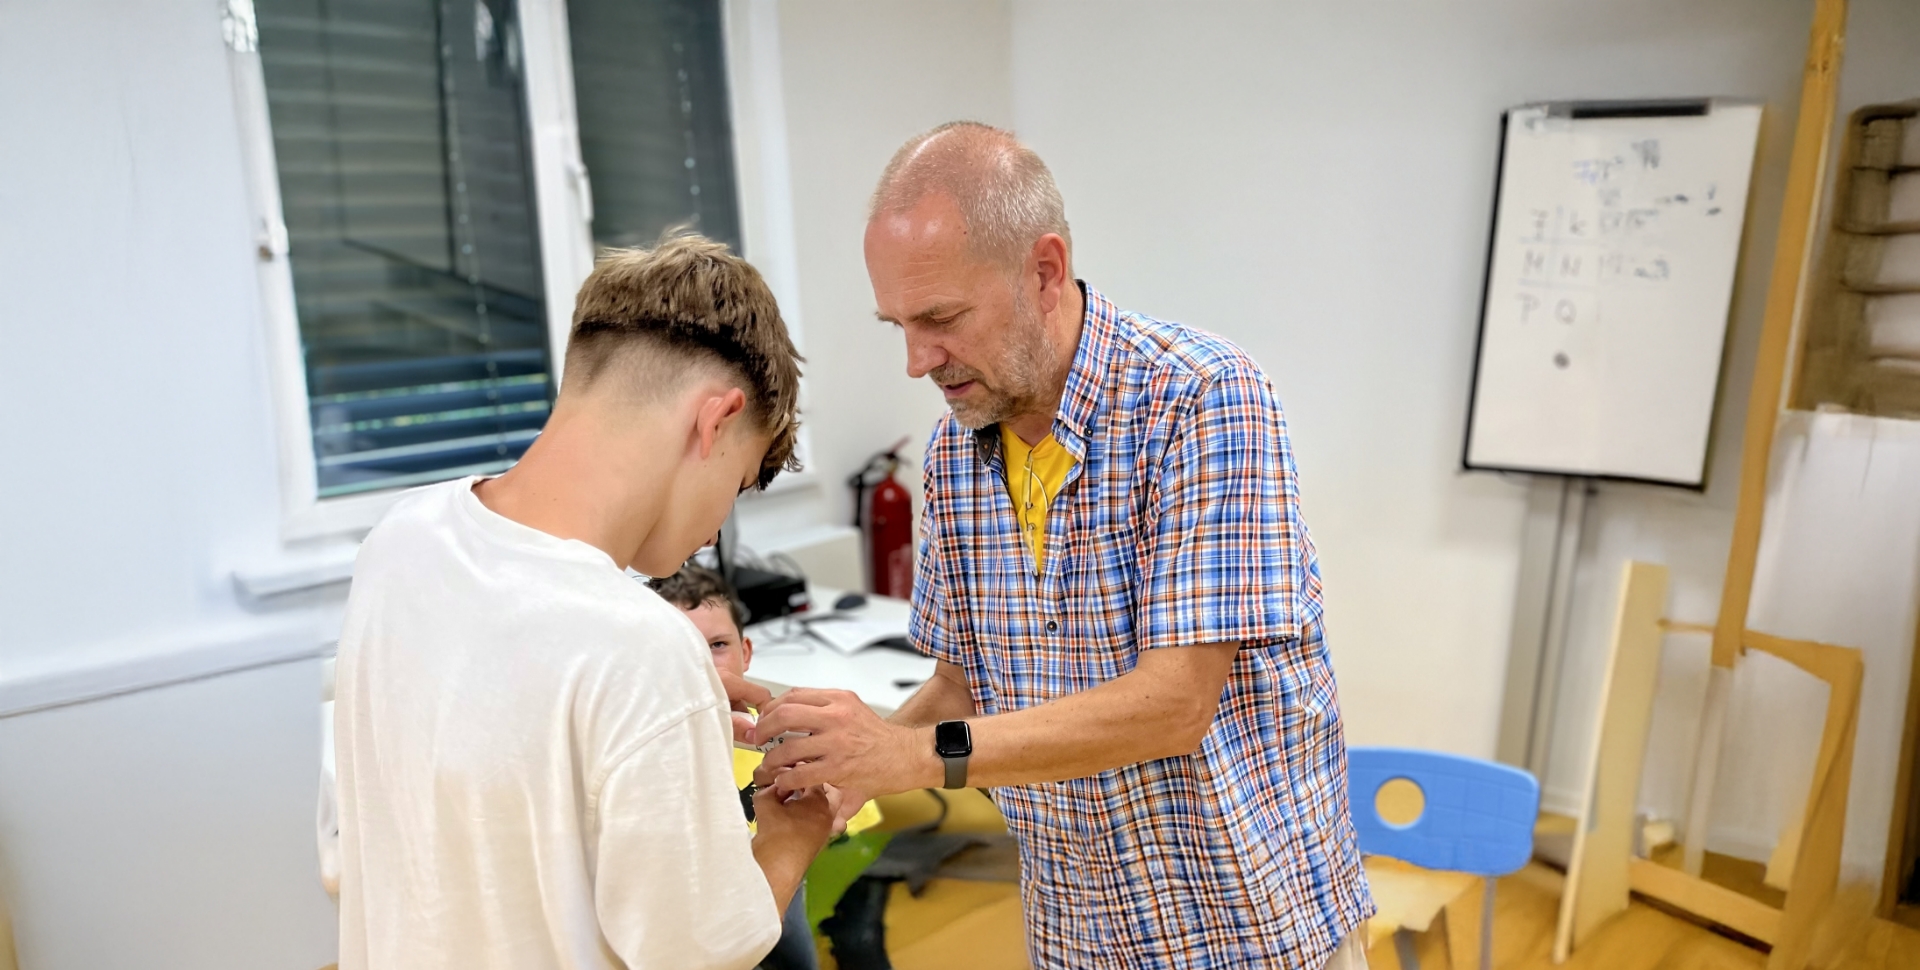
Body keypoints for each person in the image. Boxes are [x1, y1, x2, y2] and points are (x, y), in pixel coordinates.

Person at [750, 123, 1375, 968]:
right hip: (1078, 931)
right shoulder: (955, 454)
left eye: (940, 319)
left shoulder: (1201, 400)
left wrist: (909, 757)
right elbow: (962, 685)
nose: (916, 360)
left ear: (1044, 272)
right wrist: (852, 767)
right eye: (897, 324)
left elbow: (1174, 705)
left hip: (1250, 928)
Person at [332, 233, 838, 970]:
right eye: (737, 483)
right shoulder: (642, 649)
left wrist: (660, 739)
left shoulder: (400, 539)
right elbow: (699, 957)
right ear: (716, 421)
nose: (718, 524)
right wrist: (790, 841)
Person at [651, 564, 885, 970]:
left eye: (717, 645)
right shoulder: (652, 759)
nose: (706, 665)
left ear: (745, 652)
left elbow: (856, 825)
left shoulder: (785, 740)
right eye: (684, 648)